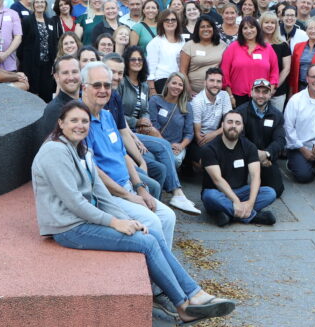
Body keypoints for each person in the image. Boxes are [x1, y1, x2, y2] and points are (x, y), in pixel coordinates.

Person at [31, 100, 235, 324]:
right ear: (60, 123)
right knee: (145, 243)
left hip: (83, 219)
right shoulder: (54, 151)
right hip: (68, 227)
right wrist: (114, 223)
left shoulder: (82, 150)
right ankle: (183, 306)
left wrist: (128, 219)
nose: (80, 125)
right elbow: (74, 202)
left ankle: (195, 294)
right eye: (74, 121)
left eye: (84, 121)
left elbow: (103, 195)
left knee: (152, 234)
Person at [78, 62, 177, 250]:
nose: (103, 90)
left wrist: (140, 187)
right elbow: (94, 171)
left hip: (128, 188)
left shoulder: (107, 116)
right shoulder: (81, 122)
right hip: (108, 196)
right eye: (97, 85)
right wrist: (128, 196)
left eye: (107, 85)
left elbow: (123, 155)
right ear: (84, 88)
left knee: (168, 216)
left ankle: (162, 269)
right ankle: (162, 271)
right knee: (153, 221)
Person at [200, 110, 277, 227]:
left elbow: (256, 177)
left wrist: (250, 202)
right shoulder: (209, 149)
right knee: (210, 196)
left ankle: (227, 213)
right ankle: (253, 216)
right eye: (229, 122)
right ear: (222, 125)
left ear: (242, 127)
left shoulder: (249, 147)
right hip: (218, 192)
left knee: (270, 193)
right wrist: (235, 201)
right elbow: (217, 180)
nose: (233, 126)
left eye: (237, 123)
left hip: (241, 191)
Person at [220, 16, 279, 108]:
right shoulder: (233, 47)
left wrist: (269, 93)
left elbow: (274, 73)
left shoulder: (267, 48)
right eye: (245, 28)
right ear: (241, 31)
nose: (249, 31)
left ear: (257, 29)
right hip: (237, 97)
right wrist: (230, 96)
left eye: (252, 27)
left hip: (261, 97)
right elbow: (224, 73)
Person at [148, 72, 195, 168]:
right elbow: (153, 126)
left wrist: (181, 146)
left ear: (183, 88)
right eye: (174, 83)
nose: (177, 87)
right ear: (167, 84)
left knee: (174, 160)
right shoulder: (155, 100)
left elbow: (189, 133)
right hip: (157, 141)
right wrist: (167, 145)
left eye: (180, 85)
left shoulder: (186, 106)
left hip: (177, 146)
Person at [189, 67, 233, 168]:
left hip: (216, 137)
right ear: (205, 82)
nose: (215, 84)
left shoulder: (224, 95)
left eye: (218, 81)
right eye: (212, 80)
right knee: (208, 163)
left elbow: (230, 122)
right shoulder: (197, 101)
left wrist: (214, 134)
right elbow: (198, 137)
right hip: (199, 141)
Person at [19, 0, 58, 102]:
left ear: (45, 5)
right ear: (33, 5)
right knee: (32, 95)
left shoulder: (51, 22)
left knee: (46, 95)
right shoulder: (27, 21)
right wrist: (24, 63)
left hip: (47, 65)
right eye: (37, 2)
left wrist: (54, 62)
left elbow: (54, 42)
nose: (40, 4)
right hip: (31, 65)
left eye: (42, 2)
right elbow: (21, 44)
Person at [180, 18, 225, 96]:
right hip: (194, 94)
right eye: (202, 27)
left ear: (213, 28)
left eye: (208, 26)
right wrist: (189, 91)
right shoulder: (189, 45)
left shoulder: (222, 45)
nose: (206, 29)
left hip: (216, 93)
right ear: (197, 29)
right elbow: (182, 71)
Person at [258, 12, 292, 110]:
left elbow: (286, 69)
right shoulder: (255, 44)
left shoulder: (283, 45)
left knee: (275, 120)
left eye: (273, 23)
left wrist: (274, 87)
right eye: (266, 22)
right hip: (258, 91)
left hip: (277, 92)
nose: (270, 25)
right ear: (261, 24)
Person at [146, 9, 185, 94]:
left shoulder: (182, 41)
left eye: (173, 19)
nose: (170, 22)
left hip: (179, 82)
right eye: (166, 20)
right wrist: (152, 89)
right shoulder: (155, 42)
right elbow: (150, 69)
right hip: (162, 81)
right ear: (161, 23)